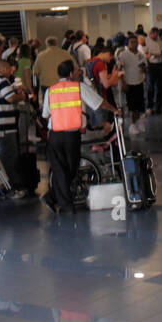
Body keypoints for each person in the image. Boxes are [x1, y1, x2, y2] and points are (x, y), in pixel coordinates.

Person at [41, 59, 118, 214]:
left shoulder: (50, 90)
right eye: (76, 70)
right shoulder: (78, 88)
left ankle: (52, 198)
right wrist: (114, 110)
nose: (79, 72)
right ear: (70, 74)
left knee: (61, 169)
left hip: (54, 135)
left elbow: (45, 114)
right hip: (71, 135)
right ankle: (66, 206)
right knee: (70, 169)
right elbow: (98, 103)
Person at [0, 57, 31, 198]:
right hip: (5, 128)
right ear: (3, 69)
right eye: (9, 70)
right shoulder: (2, 81)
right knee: (10, 160)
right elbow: (10, 98)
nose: (11, 73)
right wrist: (20, 95)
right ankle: (13, 190)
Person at [116, 34, 148, 133]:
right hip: (129, 83)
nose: (133, 44)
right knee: (132, 106)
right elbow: (119, 69)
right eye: (131, 42)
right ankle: (132, 125)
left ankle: (139, 122)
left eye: (135, 42)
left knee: (140, 106)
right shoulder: (123, 55)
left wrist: (144, 68)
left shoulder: (141, 55)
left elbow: (146, 69)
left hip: (139, 82)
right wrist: (123, 82)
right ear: (128, 43)